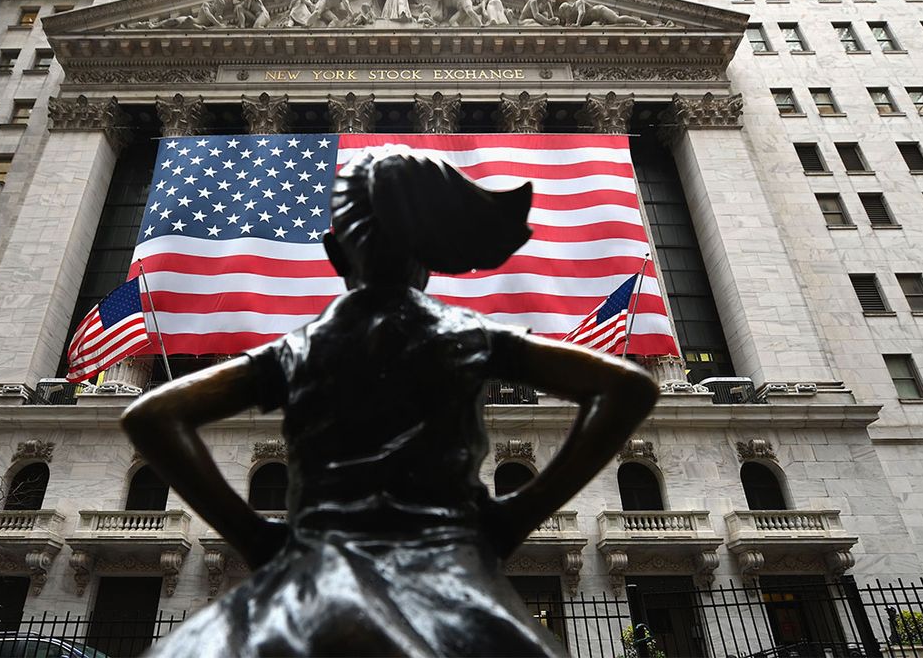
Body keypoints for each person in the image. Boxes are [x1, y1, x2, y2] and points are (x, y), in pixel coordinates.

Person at [123, 150, 659, 657]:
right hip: (447, 570)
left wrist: (256, 538)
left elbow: (153, 414)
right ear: (428, 252)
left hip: (313, 570)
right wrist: (516, 515)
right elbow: (629, 387)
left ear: (335, 253)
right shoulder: (470, 336)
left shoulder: (300, 351)